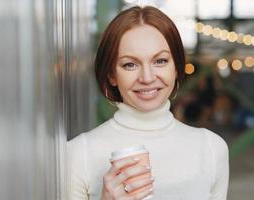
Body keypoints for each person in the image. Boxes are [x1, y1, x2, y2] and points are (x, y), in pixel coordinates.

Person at [67, 5, 229, 200]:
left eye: (160, 61)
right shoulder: (78, 154)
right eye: (130, 64)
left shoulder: (211, 148)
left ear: (177, 68)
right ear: (111, 75)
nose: (147, 77)